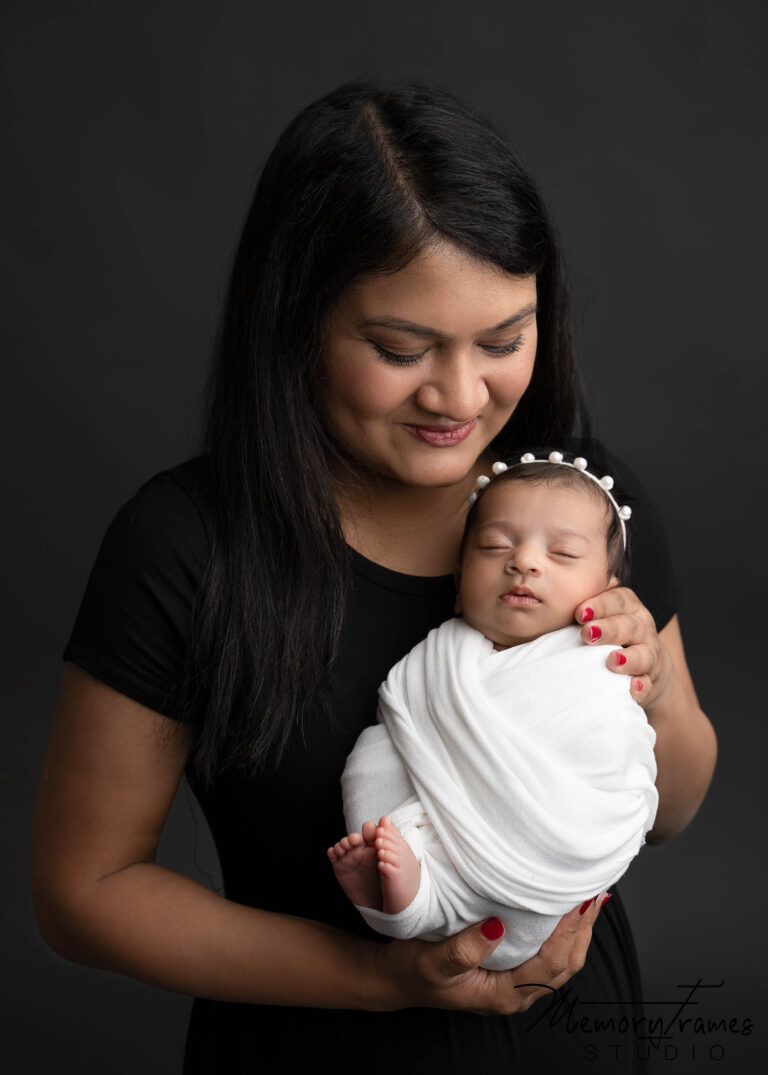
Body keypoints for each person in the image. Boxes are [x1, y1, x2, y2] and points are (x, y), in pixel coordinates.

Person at [30, 80, 716, 1074]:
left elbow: (675, 807)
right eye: (401, 348)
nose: (459, 394)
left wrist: (647, 683)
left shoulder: (576, 513)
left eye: (504, 339)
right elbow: (83, 891)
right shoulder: (185, 547)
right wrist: (380, 976)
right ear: (297, 318)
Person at [330, 452, 659, 971]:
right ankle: (409, 896)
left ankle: (419, 892)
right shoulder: (441, 656)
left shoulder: (597, 671)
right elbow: (404, 721)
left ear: (610, 595)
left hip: (542, 848)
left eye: (563, 553)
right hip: (437, 837)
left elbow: (619, 760)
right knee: (374, 759)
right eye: (494, 546)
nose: (524, 561)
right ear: (459, 583)